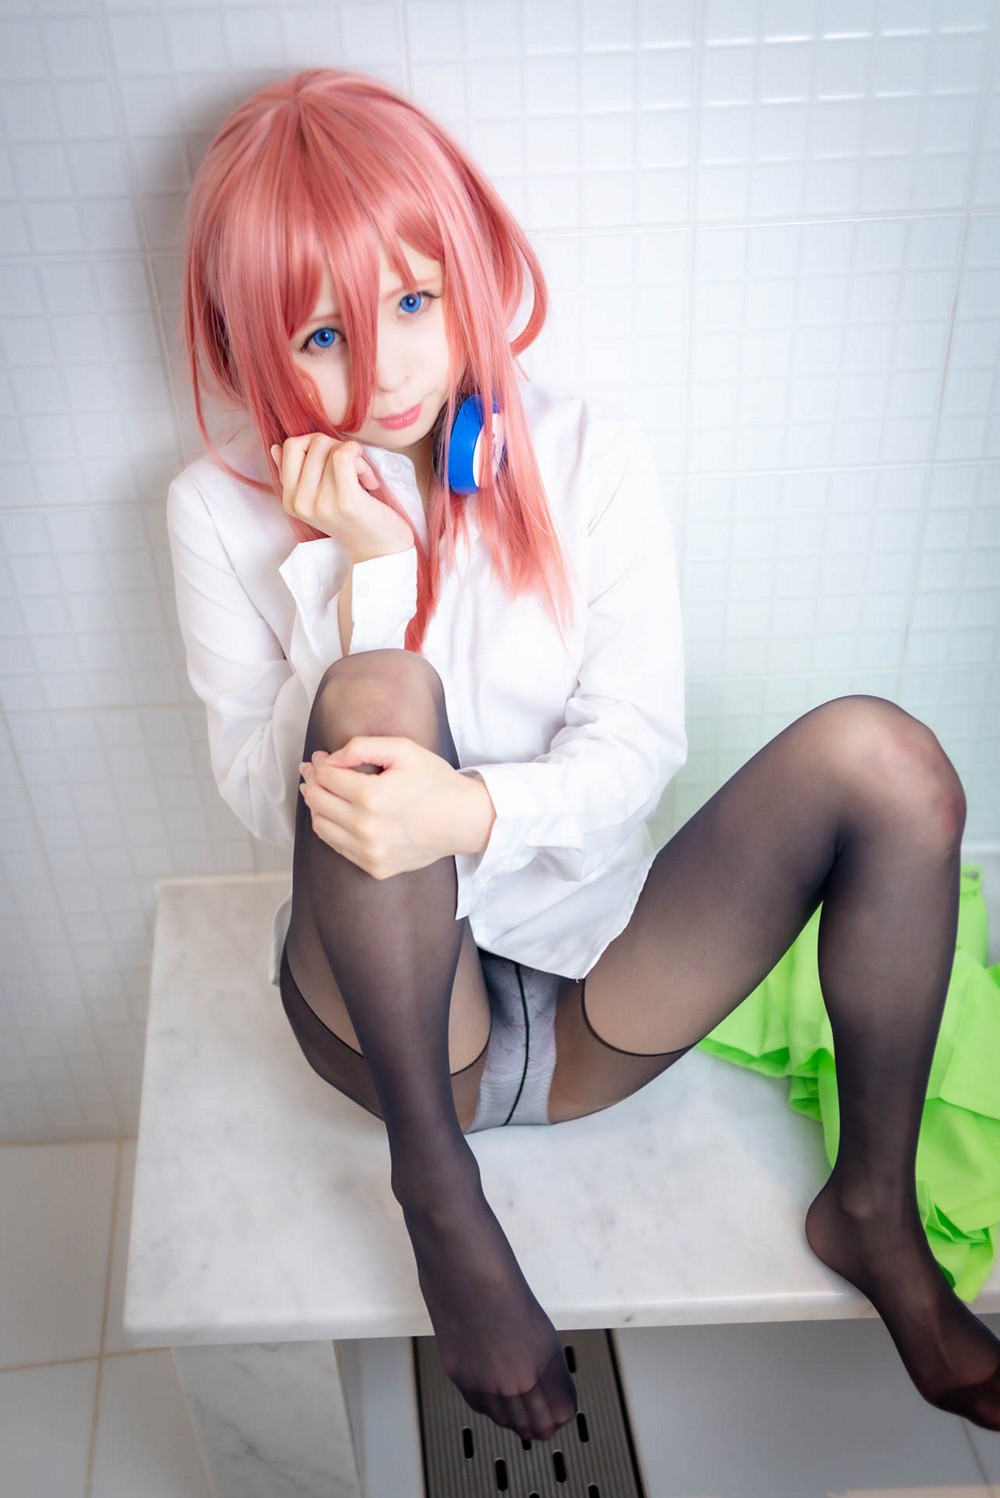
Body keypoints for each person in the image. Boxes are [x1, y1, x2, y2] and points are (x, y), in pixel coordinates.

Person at [167, 68, 1000, 1443]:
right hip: (400, 1046)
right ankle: (443, 1208)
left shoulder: (583, 453)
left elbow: (637, 746)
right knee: (376, 689)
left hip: (596, 998)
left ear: (467, 276)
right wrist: (366, 574)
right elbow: (272, 802)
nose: (385, 372)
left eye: (413, 304)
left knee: (889, 761)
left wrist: (473, 811)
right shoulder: (216, 511)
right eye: (323, 333)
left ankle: (874, 1210)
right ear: (250, 340)